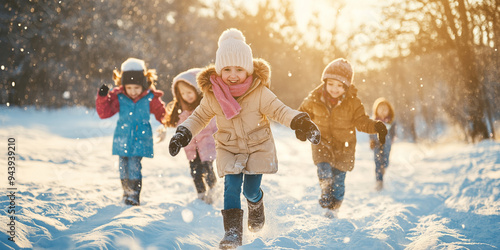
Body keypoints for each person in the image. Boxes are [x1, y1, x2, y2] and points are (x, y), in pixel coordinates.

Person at [168, 28, 320, 249]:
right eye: (227, 69)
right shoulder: (212, 95)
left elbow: (280, 110)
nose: (232, 74)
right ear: (219, 70)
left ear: (248, 69)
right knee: (231, 188)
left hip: (257, 147)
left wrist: (300, 122)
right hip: (229, 148)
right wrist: (183, 133)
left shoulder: (259, 92)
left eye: (239, 69)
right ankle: (232, 233)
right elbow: (199, 117)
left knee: (249, 190)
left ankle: (256, 204)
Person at [297, 58, 387, 218]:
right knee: (324, 170)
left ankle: (334, 207)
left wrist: (376, 126)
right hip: (321, 142)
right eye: (331, 84)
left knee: (338, 182)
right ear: (324, 82)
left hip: (344, 147)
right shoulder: (314, 98)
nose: (334, 89)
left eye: (340, 85)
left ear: (346, 86)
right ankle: (325, 190)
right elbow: (302, 114)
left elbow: (361, 121)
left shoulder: (353, 103)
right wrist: (302, 128)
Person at [96, 57, 167, 206]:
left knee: (134, 166)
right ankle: (126, 192)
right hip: (122, 138)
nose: (133, 92)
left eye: (136, 88)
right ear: (124, 86)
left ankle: (134, 195)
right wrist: (102, 98)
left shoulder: (150, 98)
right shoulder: (119, 97)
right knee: (123, 167)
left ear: (143, 85)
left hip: (141, 139)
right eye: (129, 88)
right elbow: (104, 113)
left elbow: (162, 114)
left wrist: (169, 121)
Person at [165, 68, 218, 204]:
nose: (186, 96)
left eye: (189, 92)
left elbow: (215, 125)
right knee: (195, 170)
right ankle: (201, 193)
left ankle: (212, 189)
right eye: (182, 93)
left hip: (206, 144)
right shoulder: (181, 110)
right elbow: (175, 124)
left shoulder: (205, 107)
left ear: (197, 89)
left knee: (207, 167)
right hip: (191, 147)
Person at [369, 97, 396, 191]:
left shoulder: (391, 122)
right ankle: (379, 181)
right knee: (377, 162)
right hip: (377, 144)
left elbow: (393, 133)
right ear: (376, 110)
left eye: (385, 109)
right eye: (380, 109)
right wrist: (371, 140)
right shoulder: (374, 121)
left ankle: (383, 169)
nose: (383, 111)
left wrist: (392, 140)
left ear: (389, 111)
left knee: (385, 162)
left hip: (387, 145)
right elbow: (371, 132)